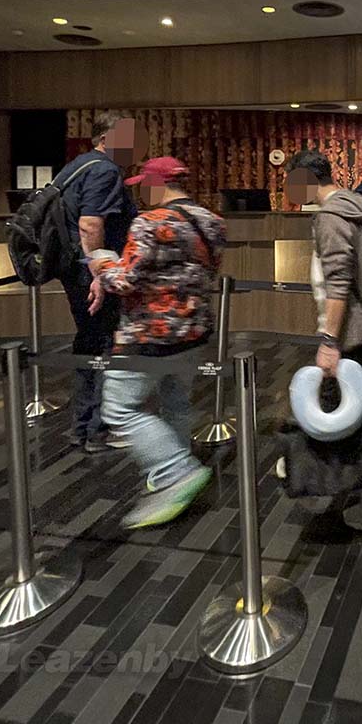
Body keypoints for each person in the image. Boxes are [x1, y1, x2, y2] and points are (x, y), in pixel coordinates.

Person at [90, 156, 226, 529]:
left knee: (119, 409)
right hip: (194, 332)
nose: (139, 192)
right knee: (176, 401)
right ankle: (177, 482)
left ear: (155, 183)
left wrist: (100, 261)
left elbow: (125, 280)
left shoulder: (149, 223)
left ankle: (175, 471)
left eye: (142, 185)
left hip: (149, 335)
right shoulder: (211, 222)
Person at [285, 149, 362, 531]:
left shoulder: (332, 218)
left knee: (352, 420)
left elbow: (338, 283)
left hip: (348, 333)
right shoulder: (358, 207)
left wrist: (329, 341)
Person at [59, 111, 141, 453]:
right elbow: (90, 225)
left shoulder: (79, 165)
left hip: (74, 269)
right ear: (106, 140)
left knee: (89, 342)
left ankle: (83, 426)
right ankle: (98, 429)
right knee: (105, 344)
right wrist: (100, 273)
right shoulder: (105, 170)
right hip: (91, 273)